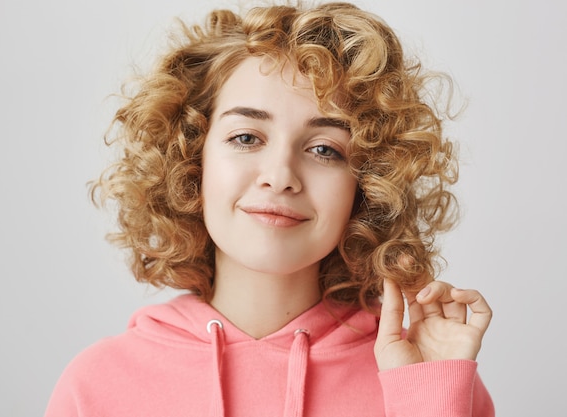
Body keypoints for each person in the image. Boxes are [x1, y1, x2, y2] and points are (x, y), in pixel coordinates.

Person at [44, 1, 494, 416]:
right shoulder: (98, 386)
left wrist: (429, 396)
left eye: (324, 149)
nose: (280, 176)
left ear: (367, 186)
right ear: (190, 161)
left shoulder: (425, 373)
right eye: (246, 138)